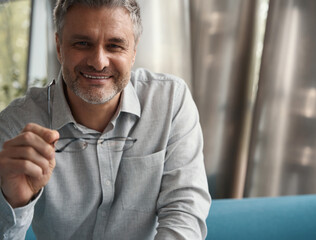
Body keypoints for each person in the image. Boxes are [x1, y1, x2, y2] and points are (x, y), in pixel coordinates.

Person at [0, 0, 211, 239]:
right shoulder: (17, 126)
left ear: (134, 51)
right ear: (59, 47)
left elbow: (184, 213)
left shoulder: (171, 100)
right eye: (82, 43)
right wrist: (14, 202)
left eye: (114, 45)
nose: (98, 61)